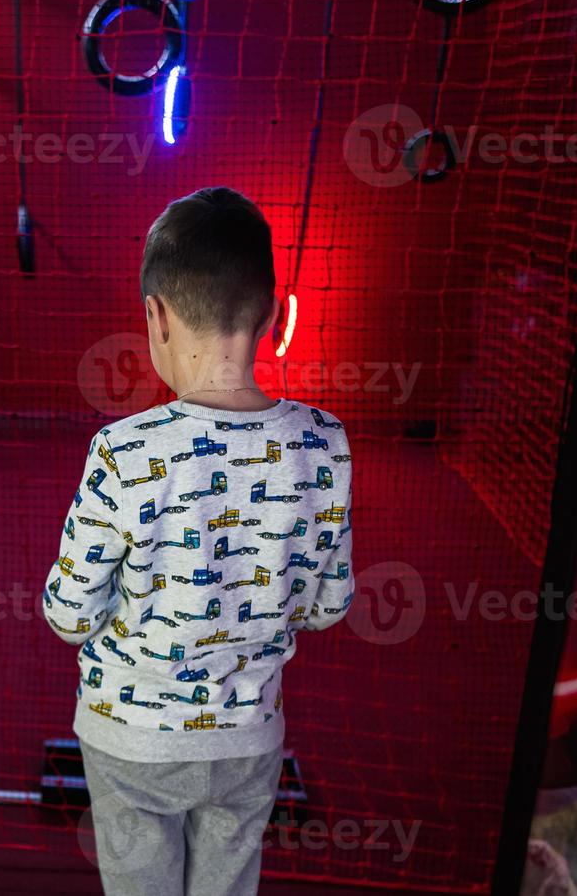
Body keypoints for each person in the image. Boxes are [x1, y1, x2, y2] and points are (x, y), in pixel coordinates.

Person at [42, 187, 356, 896]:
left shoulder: (123, 450)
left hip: (130, 737)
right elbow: (327, 606)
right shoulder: (324, 443)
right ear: (275, 317)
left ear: (154, 316)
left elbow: (68, 616)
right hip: (250, 737)